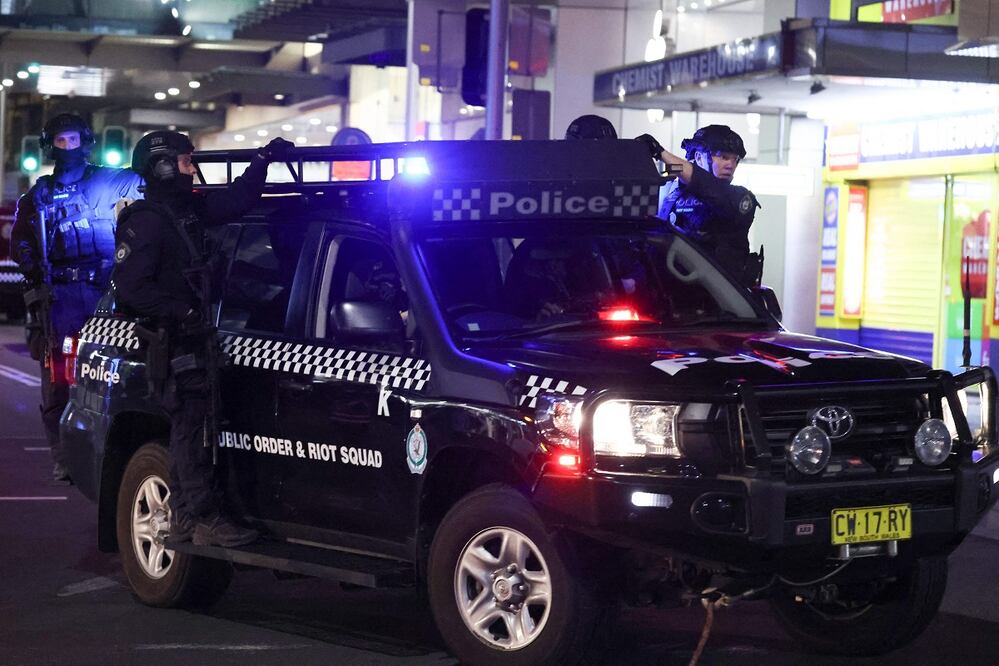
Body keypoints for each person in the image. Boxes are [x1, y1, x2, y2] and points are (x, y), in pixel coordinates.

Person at [113, 130, 292, 547]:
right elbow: (132, 289)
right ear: (162, 167)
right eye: (185, 161)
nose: (192, 168)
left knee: (194, 429)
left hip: (194, 340)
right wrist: (184, 312)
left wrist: (263, 161)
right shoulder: (147, 221)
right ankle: (202, 518)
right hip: (173, 343)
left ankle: (186, 517)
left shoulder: (186, 211)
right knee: (192, 432)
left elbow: (236, 202)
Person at [10, 113, 144, 483]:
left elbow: (145, 184)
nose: (67, 147)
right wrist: (32, 265)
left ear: (85, 142)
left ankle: (112, 454)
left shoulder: (106, 180)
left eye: (73, 140)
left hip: (105, 294)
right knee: (58, 380)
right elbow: (20, 241)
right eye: (60, 141)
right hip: (61, 299)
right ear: (49, 145)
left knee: (114, 374)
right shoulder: (38, 195)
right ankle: (65, 458)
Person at [636, 125, 762, 286]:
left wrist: (661, 153)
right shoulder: (669, 191)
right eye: (723, 157)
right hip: (667, 288)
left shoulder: (741, 198)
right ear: (699, 157)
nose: (731, 165)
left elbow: (711, 189)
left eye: (735, 159)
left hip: (718, 294)